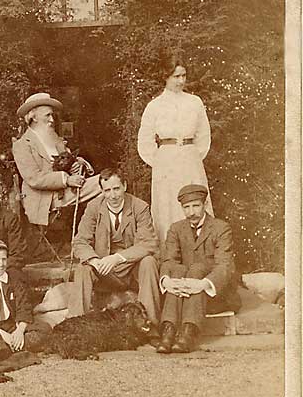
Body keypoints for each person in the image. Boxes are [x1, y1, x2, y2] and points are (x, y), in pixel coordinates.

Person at [67, 168, 161, 343]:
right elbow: (80, 241)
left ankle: (151, 327)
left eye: (116, 188)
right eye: (107, 190)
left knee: (149, 262)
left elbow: (149, 243)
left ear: (124, 186)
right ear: (102, 191)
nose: (113, 195)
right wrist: (94, 260)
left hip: (132, 270)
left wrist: (117, 258)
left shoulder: (139, 207)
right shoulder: (94, 207)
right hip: (104, 272)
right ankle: (76, 326)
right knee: (83, 269)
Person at [137, 55, 214, 243]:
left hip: (190, 159)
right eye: (176, 76)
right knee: (168, 206)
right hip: (166, 163)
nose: (181, 81)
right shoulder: (154, 106)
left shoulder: (194, 102)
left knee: (194, 199)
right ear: (166, 77)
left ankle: (200, 253)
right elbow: (145, 140)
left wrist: (192, 156)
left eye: (184, 76)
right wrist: (161, 161)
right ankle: (169, 257)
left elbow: (203, 136)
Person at [157, 184, 241, 354]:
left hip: (213, 294)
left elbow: (224, 266)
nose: (191, 212)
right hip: (184, 291)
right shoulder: (176, 229)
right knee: (178, 270)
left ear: (205, 204)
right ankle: (169, 330)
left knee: (197, 269)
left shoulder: (220, 228)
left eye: (196, 206)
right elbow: (169, 260)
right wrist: (168, 281)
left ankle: (189, 332)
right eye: (186, 207)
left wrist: (202, 284)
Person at [12, 92, 102, 227]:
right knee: (105, 184)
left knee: (108, 183)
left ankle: (94, 234)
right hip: (45, 200)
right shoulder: (22, 145)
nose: (52, 120)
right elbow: (34, 179)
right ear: (34, 117)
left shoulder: (55, 139)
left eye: (52, 115)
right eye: (47, 115)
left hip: (67, 192)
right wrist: (66, 179)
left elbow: (70, 160)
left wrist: (77, 164)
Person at [0, 239, 51, 353]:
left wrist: (20, 331)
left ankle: (9, 346)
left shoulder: (14, 279)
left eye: (4, 259)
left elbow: (24, 306)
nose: (1, 264)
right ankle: (12, 346)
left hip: (11, 325)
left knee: (44, 329)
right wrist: (1, 334)